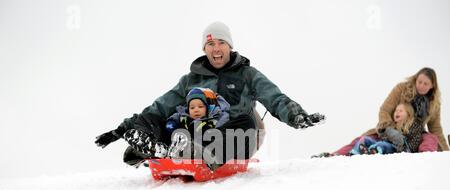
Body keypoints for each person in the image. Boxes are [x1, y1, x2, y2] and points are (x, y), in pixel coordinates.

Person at [95, 21, 325, 168]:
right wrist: (122, 129)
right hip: (190, 132)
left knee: (247, 122)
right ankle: (157, 147)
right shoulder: (190, 80)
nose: (216, 48)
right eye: (211, 43)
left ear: (230, 46)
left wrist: (297, 116)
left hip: (230, 135)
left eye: (221, 43)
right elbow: (159, 107)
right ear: (204, 49)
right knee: (158, 118)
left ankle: (195, 152)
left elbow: (274, 97)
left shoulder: (247, 74)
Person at [317, 67, 448, 157]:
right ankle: (332, 157)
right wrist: (389, 129)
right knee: (361, 140)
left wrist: (447, 152)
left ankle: (425, 157)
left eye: (426, 84)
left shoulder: (433, 104)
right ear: (415, 79)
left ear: (432, 86)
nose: (421, 86)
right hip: (392, 130)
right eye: (419, 82)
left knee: (431, 138)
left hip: (414, 135)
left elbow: (435, 128)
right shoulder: (402, 89)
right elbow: (385, 109)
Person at [122, 87, 231, 160]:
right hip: (178, 142)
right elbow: (175, 116)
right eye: (192, 107)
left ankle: (184, 151)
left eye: (200, 106)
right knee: (147, 118)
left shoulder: (217, 117)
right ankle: (154, 146)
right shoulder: (184, 116)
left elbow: (224, 128)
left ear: (209, 108)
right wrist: (171, 122)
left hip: (203, 148)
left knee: (199, 129)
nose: (196, 110)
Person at [349, 103, 423, 155]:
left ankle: (373, 152)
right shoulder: (391, 125)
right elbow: (383, 137)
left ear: (408, 114)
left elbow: (413, 140)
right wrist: (384, 130)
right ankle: (355, 152)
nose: (397, 112)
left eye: (401, 111)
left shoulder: (412, 125)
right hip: (383, 143)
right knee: (365, 139)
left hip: (396, 149)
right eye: (396, 110)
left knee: (382, 144)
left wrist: (406, 148)